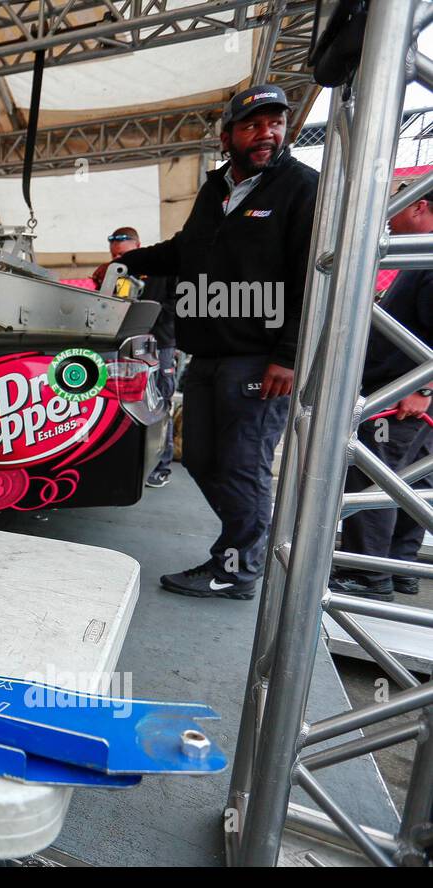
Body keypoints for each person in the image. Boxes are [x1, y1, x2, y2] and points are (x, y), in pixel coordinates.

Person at [113, 84, 319, 600]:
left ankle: (239, 567)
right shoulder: (215, 189)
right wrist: (126, 261)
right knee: (201, 459)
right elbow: (184, 250)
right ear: (227, 135)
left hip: (259, 357)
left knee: (242, 465)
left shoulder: (302, 187)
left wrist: (289, 357)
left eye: (275, 123)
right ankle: (246, 545)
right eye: (252, 125)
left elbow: (310, 277)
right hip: (205, 354)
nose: (266, 133)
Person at [333, 186, 433, 601]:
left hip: (402, 396)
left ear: (419, 206)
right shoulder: (421, 259)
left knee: (378, 481)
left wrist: (423, 389)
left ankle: (368, 573)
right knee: (411, 482)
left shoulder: (427, 260)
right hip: (405, 393)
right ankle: (397, 567)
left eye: (395, 210)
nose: (389, 221)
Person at [93, 226, 179, 488]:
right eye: (115, 255)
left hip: (159, 344)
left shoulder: (165, 267)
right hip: (125, 344)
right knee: (125, 401)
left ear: (138, 245)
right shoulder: (117, 272)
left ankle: (162, 464)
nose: (119, 260)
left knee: (159, 399)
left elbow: (178, 306)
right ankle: (129, 459)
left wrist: (142, 312)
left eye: (123, 254)